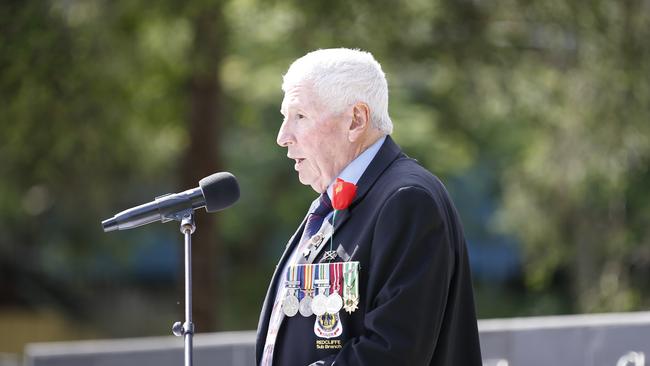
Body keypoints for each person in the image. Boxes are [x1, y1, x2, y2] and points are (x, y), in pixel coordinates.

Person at [256, 48, 482, 366]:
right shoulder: (334, 204)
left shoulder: (407, 200)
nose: (283, 137)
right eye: (285, 118)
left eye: (300, 116)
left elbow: (394, 351)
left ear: (356, 120)